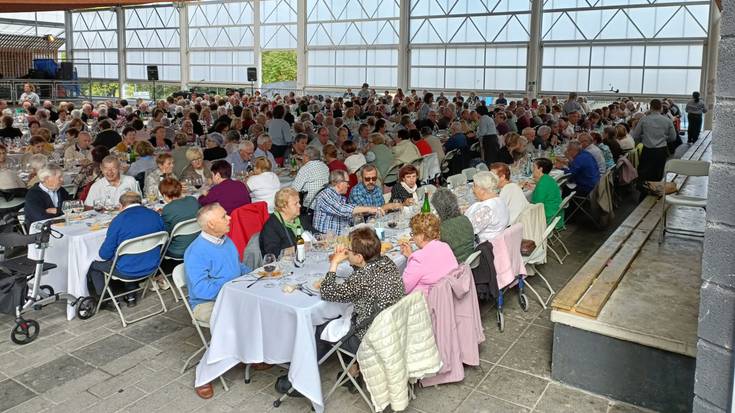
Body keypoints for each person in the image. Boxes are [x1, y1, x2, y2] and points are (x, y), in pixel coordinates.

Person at [186, 202, 252, 399]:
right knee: (232, 321)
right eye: (224, 216)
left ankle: (252, 353)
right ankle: (204, 374)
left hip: (234, 294)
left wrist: (256, 274)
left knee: (264, 307)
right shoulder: (196, 251)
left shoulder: (225, 240)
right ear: (211, 225)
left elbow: (237, 267)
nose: (230, 218)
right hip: (205, 303)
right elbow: (200, 289)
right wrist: (230, 286)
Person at [318, 226, 404, 362]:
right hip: (393, 329)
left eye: (349, 249)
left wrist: (334, 262)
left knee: (319, 325)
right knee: (345, 311)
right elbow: (362, 269)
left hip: (369, 340)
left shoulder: (361, 278)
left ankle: (305, 376)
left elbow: (327, 292)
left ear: (359, 257)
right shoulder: (387, 261)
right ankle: (353, 369)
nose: (346, 251)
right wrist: (350, 258)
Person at [86, 192, 165, 308]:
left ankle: (107, 300)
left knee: (93, 265)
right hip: (153, 265)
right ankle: (131, 296)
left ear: (121, 206)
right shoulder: (155, 215)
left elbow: (104, 254)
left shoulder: (119, 220)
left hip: (127, 270)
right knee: (132, 256)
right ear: (141, 202)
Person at [400, 213, 458, 294]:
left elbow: (403, 288)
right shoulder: (445, 246)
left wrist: (411, 258)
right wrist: (411, 255)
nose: (412, 237)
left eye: (413, 234)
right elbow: (430, 265)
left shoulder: (418, 259)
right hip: (449, 297)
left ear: (421, 236)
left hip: (428, 303)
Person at [312, 170, 382, 234]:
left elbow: (348, 217)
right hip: (326, 240)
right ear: (339, 183)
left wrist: (365, 215)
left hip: (343, 236)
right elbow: (341, 209)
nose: (348, 185)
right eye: (347, 182)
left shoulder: (341, 198)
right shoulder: (325, 194)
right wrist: (369, 209)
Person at [259, 187, 316, 257]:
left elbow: (315, 234)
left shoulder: (300, 219)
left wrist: (326, 236)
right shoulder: (271, 226)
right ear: (283, 207)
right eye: (295, 204)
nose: (300, 205)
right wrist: (299, 248)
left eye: (299, 202)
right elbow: (272, 253)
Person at [631, 99, 677, 182]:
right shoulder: (667, 121)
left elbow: (636, 135)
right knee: (658, 173)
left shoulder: (643, 120)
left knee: (644, 173)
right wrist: (664, 139)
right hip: (661, 150)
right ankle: (655, 191)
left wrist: (643, 139)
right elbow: (673, 137)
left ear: (650, 107)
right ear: (661, 108)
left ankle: (644, 191)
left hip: (647, 150)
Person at [464, 171, 510, 243]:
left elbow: (468, 231)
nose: (472, 189)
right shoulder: (500, 201)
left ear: (482, 190)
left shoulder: (487, 209)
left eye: (474, 186)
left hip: (488, 248)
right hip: (499, 242)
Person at [160, 177, 200, 259]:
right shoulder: (193, 200)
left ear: (164, 195)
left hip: (178, 250)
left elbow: (165, 234)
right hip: (198, 245)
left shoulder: (168, 209)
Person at [431, 188, 475, 262]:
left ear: (438, 210)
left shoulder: (441, 229)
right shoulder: (465, 219)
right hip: (471, 259)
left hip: (455, 266)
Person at [530, 157, 563, 229]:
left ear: (540, 169)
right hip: (555, 212)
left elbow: (535, 205)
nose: (532, 170)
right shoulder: (548, 179)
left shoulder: (542, 184)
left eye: (534, 167)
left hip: (548, 215)